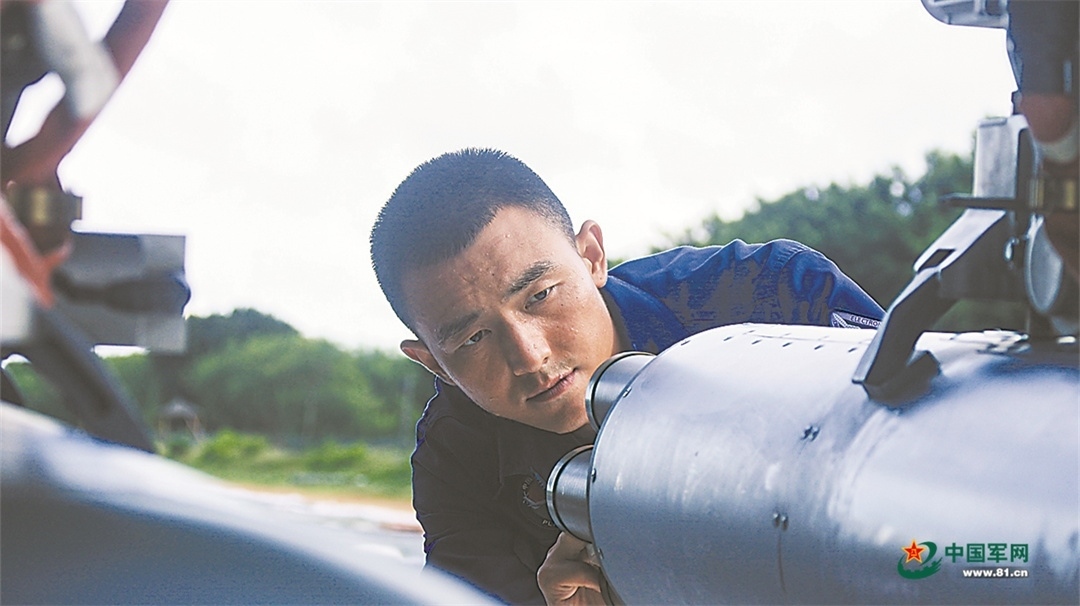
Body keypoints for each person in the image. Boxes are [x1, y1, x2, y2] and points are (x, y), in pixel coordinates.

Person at [368, 148, 884, 604]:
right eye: (473, 338)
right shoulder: (455, 458)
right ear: (433, 363)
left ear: (592, 256)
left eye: (540, 295)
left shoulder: (775, 297)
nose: (529, 356)